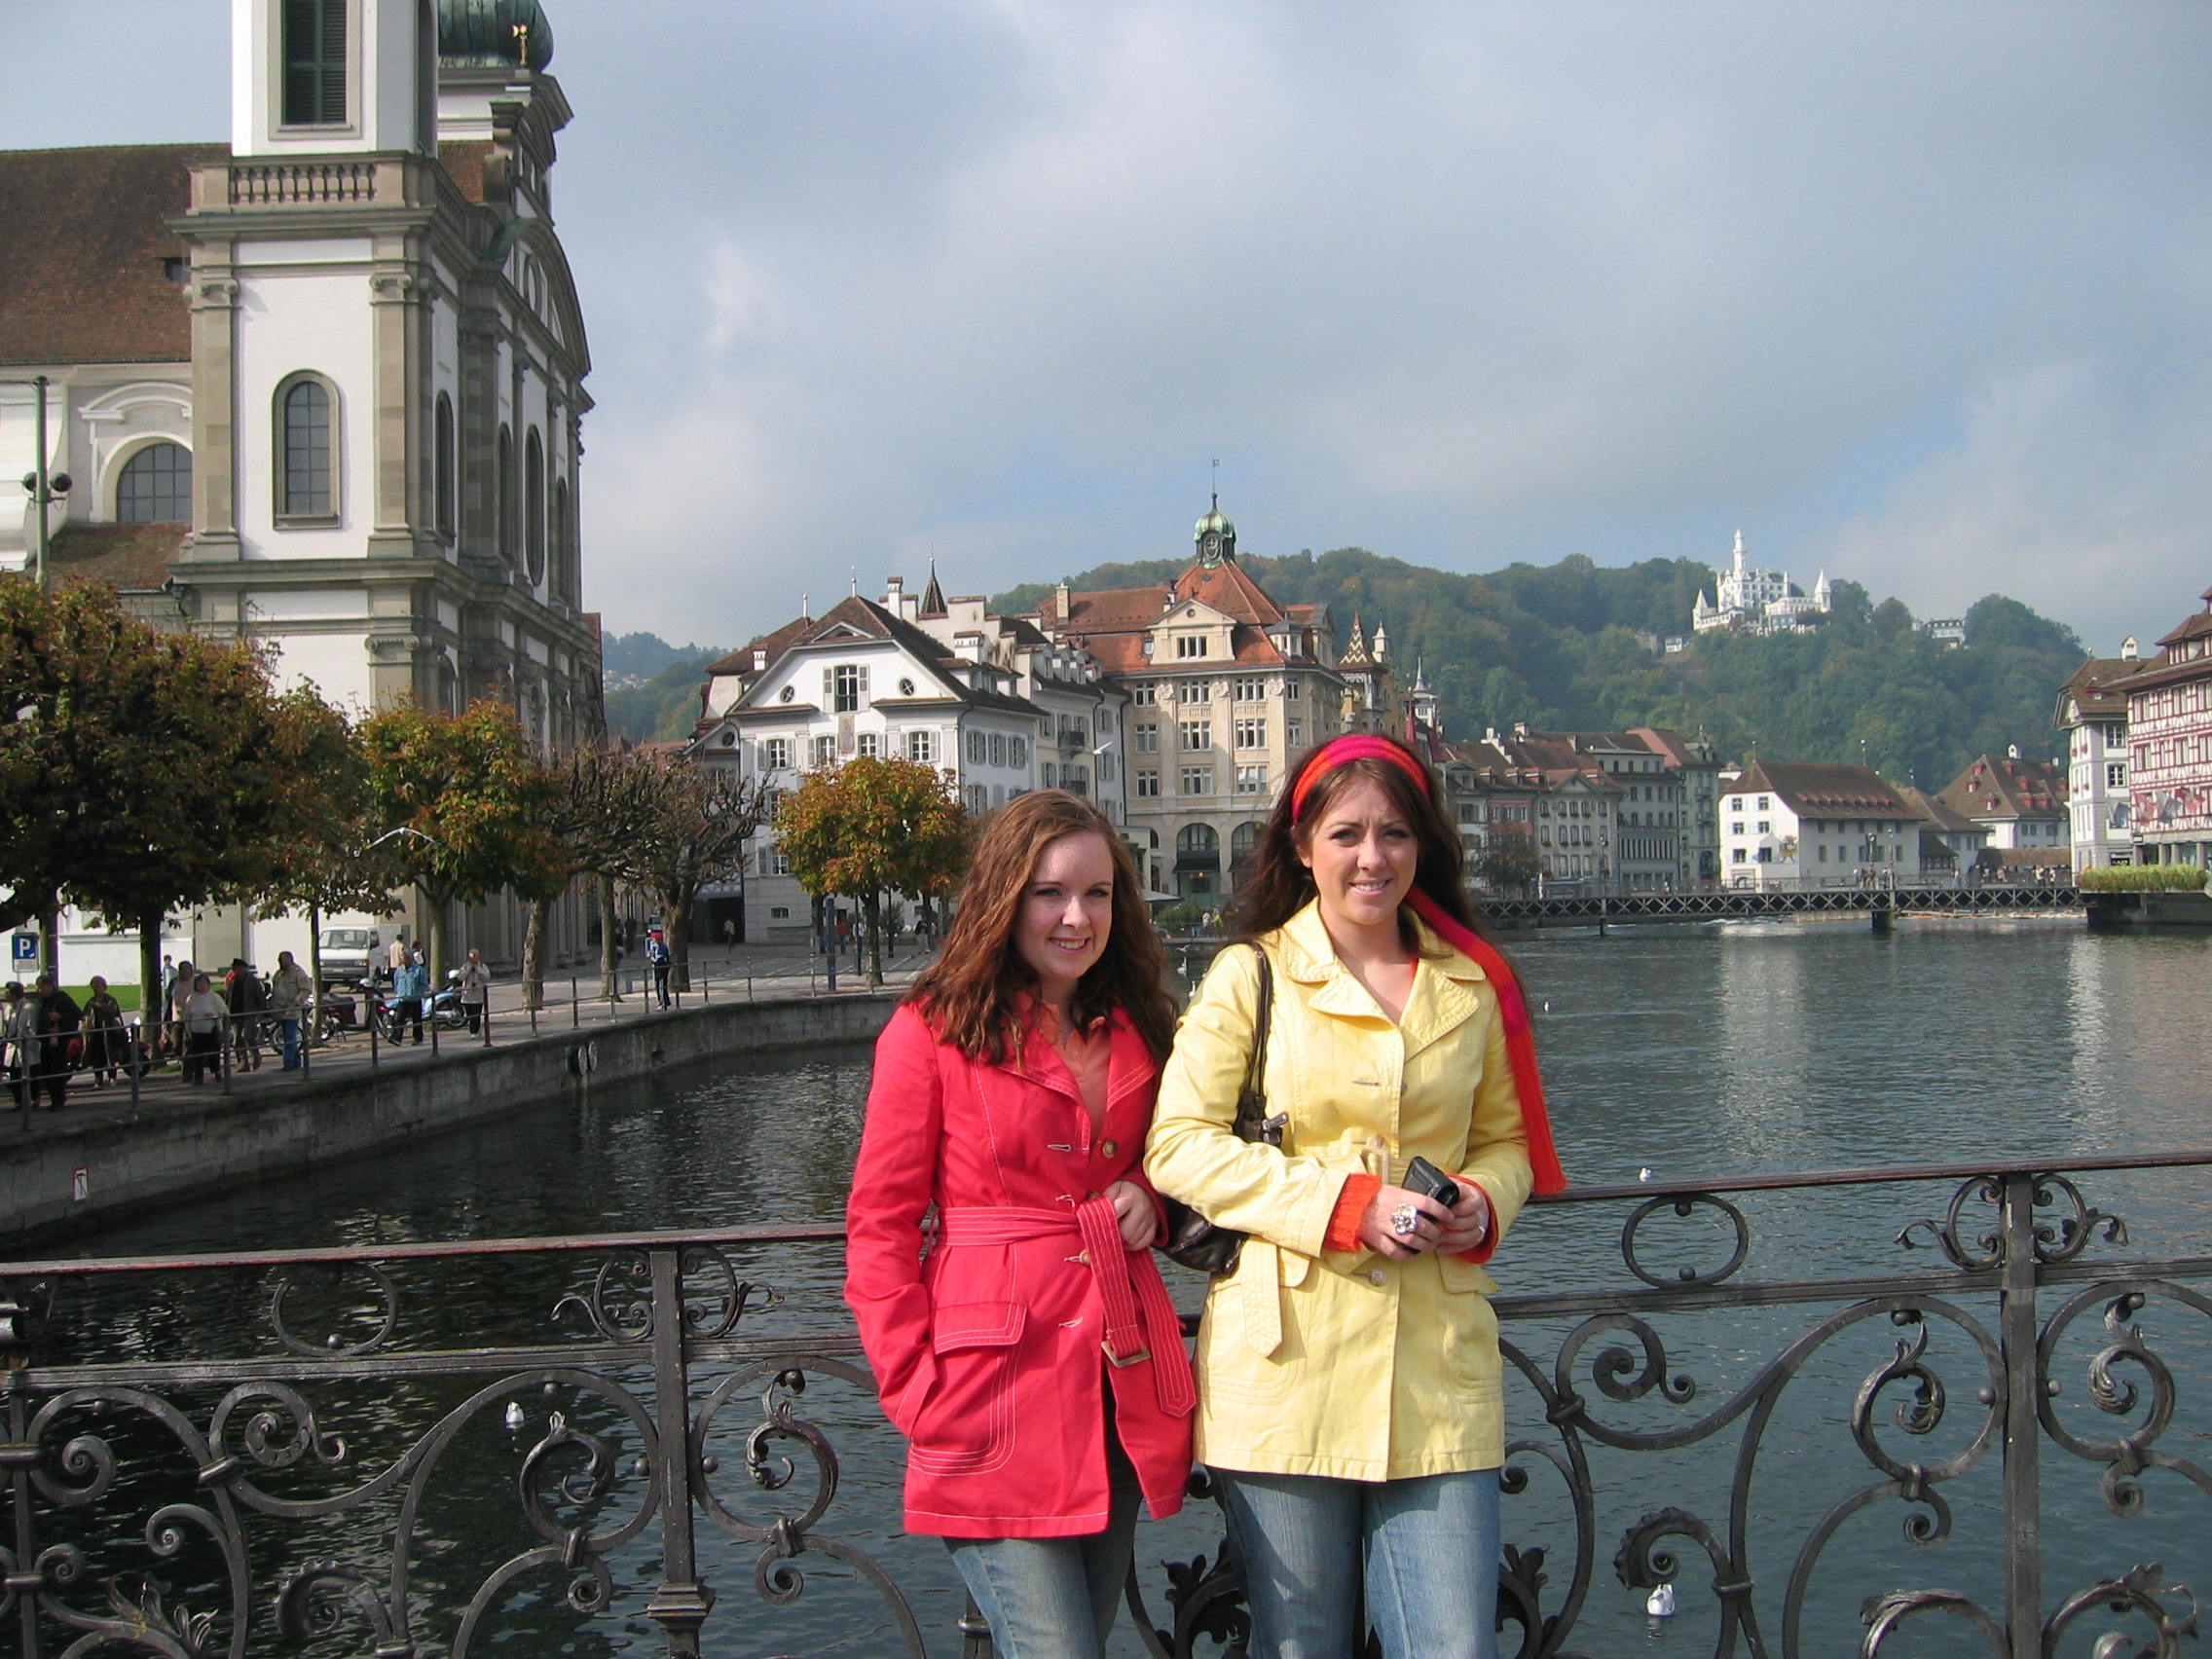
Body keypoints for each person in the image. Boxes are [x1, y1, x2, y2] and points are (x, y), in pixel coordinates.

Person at [1144, 735, 1568, 1659]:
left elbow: (1507, 1144)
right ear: (1302, 846)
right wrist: (1344, 1207)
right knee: (1301, 1644)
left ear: (1422, 848)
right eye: (1347, 834)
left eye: (1393, 835)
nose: (1372, 858)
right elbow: (1176, 1146)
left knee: (1456, 1645)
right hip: (1288, 1364)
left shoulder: (1469, 984)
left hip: (1437, 1366)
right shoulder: (1248, 976)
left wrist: (1480, 1203)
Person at [845, 791, 1195, 1659]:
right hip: (988, 1395)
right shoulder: (930, 1031)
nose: (1077, 918)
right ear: (1005, 896)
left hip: (1118, 1379)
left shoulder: (1141, 1024)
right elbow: (880, 1226)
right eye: (1050, 893)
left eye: (1099, 894)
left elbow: (1192, 1155)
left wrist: (1153, 1194)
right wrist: (915, 1393)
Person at [29, 973, 82, 1112]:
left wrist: (61, 1017)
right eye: (38, 988)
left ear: (50, 986)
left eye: (42, 988)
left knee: (56, 1071)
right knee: (46, 1071)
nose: (39, 991)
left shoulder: (61, 998)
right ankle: (56, 1098)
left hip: (59, 1040)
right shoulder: (41, 1000)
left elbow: (78, 1014)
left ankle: (58, 1101)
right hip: (45, 1039)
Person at [270, 949, 313, 1069]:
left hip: (292, 1011)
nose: (280, 962)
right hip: (280, 1010)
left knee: (290, 1036)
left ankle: (288, 1061)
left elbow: (305, 989)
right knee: (286, 1036)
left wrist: (297, 1001)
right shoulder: (279, 974)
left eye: (282, 959)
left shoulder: (298, 973)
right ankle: (296, 1061)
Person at [182, 973, 227, 1085]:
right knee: (197, 1054)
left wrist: (214, 1015)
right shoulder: (191, 998)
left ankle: (216, 1072)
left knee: (213, 1053)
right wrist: (188, 1029)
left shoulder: (214, 997)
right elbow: (187, 1015)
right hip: (196, 1031)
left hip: (211, 1030)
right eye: (199, 983)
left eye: (203, 983)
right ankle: (198, 1076)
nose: (201, 985)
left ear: (208, 984)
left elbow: (224, 1011)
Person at [82, 975, 127, 1088]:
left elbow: (113, 1011)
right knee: (96, 1057)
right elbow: (85, 1015)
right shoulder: (90, 1001)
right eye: (94, 987)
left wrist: (98, 1006)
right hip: (95, 1032)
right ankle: (98, 1079)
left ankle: (112, 1077)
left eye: (98, 987)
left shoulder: (110, 999)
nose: (96, 989)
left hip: (108, 1032)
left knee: (110, 1055)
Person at [226, 958, 268, 1072]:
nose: (237, 970)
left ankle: (255, 1055)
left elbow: (260, 997)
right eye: (235, 969)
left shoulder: (252, 981)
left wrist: (260, 1013)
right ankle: (243, 1062)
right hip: (235, 1013)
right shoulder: (232, 980)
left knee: (248, 1036)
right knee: (237, 1039)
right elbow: (228, 996)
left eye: (239, 968)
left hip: (249, 1013)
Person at [2, 981, 32, 1110]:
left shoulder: (28, 1007)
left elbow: (30, 1026)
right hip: (11, 1045)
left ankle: (29, 1101)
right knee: (12, 1075)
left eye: (8, 992)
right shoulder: (9, 1008)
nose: (6, 994)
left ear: (15, 994)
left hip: (24, 1046)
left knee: (25, 1075)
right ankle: (18, 1102)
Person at [389, 948, 428, 1044]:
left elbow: (423, 984)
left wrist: (417, 993)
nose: (404, 961)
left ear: (410, 959)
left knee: (417, 1020)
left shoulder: (418, 970)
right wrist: (398, 992)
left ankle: (418, 1038)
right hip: (403, 998)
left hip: (415, 998)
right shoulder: (399, 970)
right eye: (402, 959)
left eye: (405, 959)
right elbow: (396, 982)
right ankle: (397, 1038)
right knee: (399, 1019)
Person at [457, 947, 492, 1034]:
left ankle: (474, 1032)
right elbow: (460, 977)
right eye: (472, 957)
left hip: (478, 995)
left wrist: (478, 969)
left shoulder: (482, 966)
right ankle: (476, 1028)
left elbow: (487, 977)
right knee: (469, 1014)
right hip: (467, 995)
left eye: (475, 956)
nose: (473, 959)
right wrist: (468, 969)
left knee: (476, 1014)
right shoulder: (465, 966)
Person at [645, 929, 672, 1009]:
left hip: (662, 968)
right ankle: (665, 1002)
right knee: (658, 985)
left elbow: (659, 958)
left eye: (654, 939)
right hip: (657, 967)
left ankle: (662, 1002)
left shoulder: (663, 948)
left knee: (661, 985)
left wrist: (653, 955)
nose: (653, 940)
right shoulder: (654, 946)